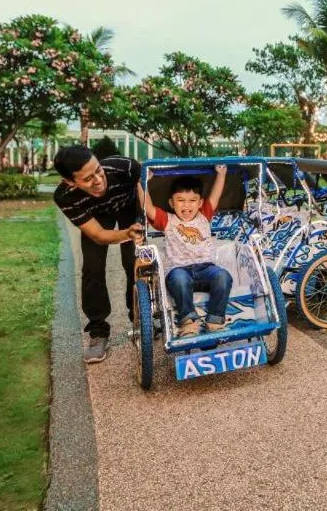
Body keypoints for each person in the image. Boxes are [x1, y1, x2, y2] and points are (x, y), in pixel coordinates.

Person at [53, 145, 142, 364]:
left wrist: (138, 226)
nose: (98, 180)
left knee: (134, 261)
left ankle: (140, 319)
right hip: (97, 216)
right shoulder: (65, 196)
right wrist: (124, 234)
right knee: (92, 267)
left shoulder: (126, 167)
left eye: (98, 170)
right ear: (70, 182)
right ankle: (98, 331)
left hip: (129, 206)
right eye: (87, 178)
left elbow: (146, 192)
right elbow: (99, 235)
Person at [138, 166, 232, 337]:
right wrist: (141, 182)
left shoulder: (205, 215)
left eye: (192, 200)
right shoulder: (167, 219)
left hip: (206, 269)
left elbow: (216, 195)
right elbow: (148, 207)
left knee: (223, 276)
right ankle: (188, 323)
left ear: (200, 203)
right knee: (180, 279)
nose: (187, 205)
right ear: (172, 203)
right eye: (181, 200)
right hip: (179, 270)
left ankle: (215, 321)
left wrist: (222, 174)